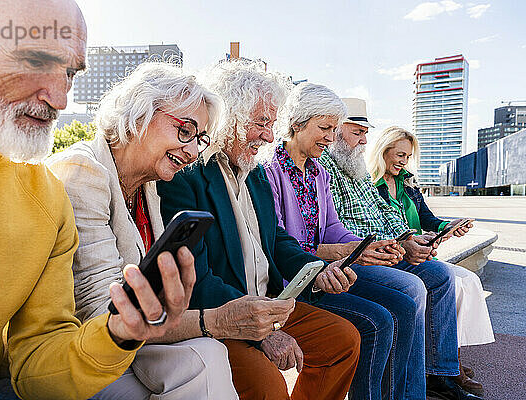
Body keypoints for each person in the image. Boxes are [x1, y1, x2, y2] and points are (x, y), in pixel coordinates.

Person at [0, 1, 194, 399]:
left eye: (69, 73)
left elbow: (37, 364)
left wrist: (118, 335)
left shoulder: (47, 196)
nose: (60, 98)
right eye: (35, 58)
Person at [47, 62, 300, 399]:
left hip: (133, 342)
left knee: (208, 356)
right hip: (84, 347)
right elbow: (105, 312)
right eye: (185, 131)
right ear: (139, 114)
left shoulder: (149, 186)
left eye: (200, 138)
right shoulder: (83, 170)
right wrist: (215, 321)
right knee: (209, 357)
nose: (194, 150)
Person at [157, 61, 361, 400]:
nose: (269, 135)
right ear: (227, 119)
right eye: (261, 122)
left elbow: (276, 239)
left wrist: (316, 272)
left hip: (270, 303)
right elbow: (198, 280)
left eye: (271, 123)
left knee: (343, 342)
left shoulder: (254, 173)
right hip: (226, 313)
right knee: (269, 386)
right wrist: (258, 328)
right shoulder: (186, 177)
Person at [265, 82, 430, 400]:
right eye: (324, 128)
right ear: (296, 123)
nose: (329, 137)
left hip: (325, 275)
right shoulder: (270, 170)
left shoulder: (317, 173)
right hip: (293, 284)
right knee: (378, 320)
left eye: (333, 129)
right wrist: (350, 251)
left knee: (405, 306)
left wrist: (363, 247)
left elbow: (332, 228)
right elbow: (282, 244)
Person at [318, 98, 484, 400]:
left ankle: (440, 374)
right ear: (337, 131)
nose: (363, 140)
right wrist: (400, 245)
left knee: (440, 275)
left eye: (365, 133)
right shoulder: (326, 168)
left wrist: (412, 239)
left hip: (386, 249)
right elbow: (339, 230)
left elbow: (388, 215)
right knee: (413, 288)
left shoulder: (358, 170)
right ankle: (409, 391)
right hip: (360, 257)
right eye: (357, 132)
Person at [367, 125, 495, 396]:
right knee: (449, 281)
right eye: (399, 154)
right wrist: (412, 241)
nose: (403, 161)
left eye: (407, 156)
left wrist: (449, 226)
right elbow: (376, 230)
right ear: (382, 151)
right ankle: (444, 371)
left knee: (468, 280)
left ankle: (447, 367)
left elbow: (430, 221)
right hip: (397, 254)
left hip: (417, 252)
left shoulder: (409, 186)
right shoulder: (369, 186)